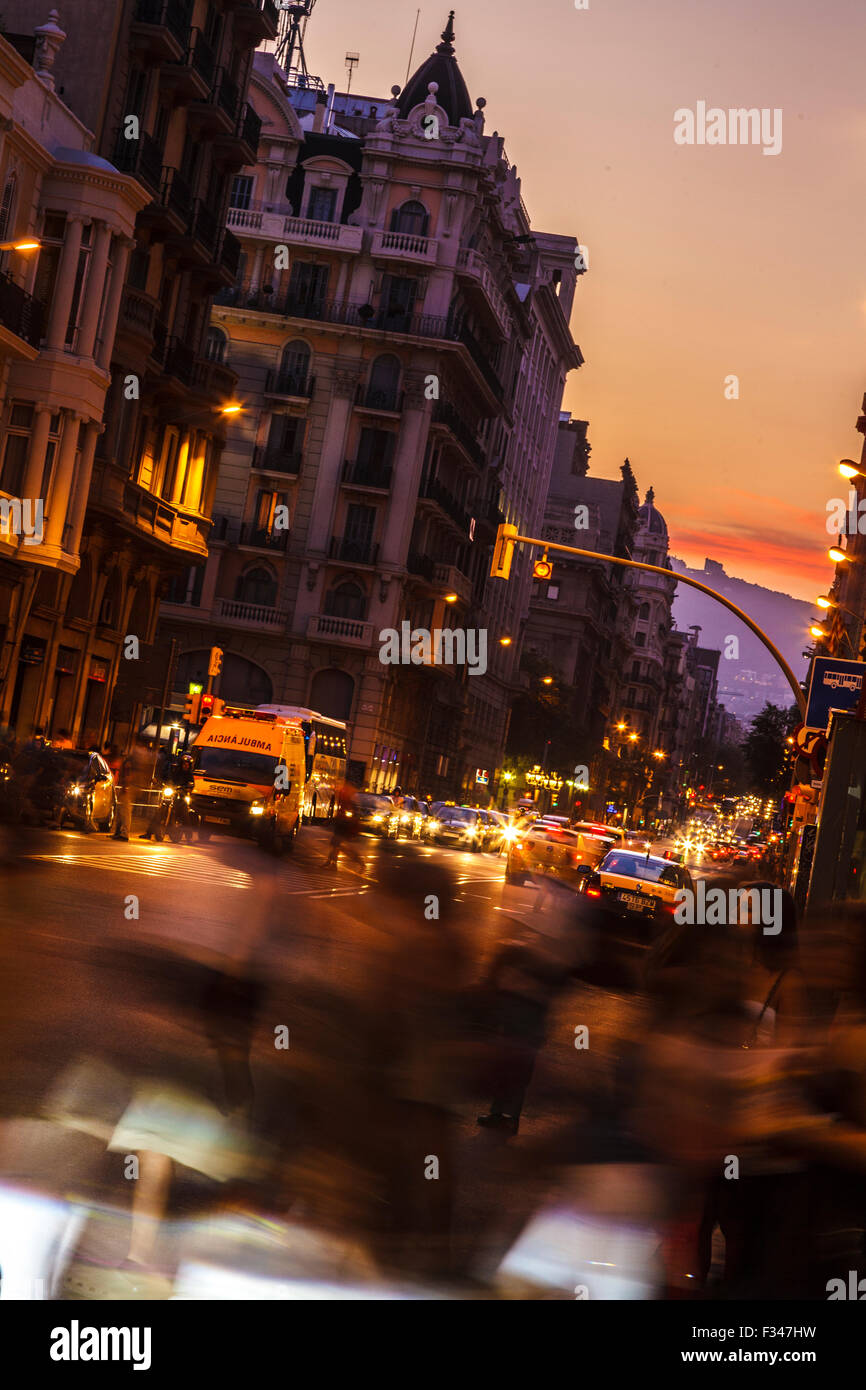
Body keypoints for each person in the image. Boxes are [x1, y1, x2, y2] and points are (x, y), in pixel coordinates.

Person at [113, 736, 152, 842]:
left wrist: (126, 784)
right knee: (122, 809)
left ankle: (124, 833)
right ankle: (118, 831)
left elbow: (130, 769)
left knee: (125, 810)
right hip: (135, 784)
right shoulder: (145, 755)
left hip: (131, 784)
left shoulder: (137, 754)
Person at [324, 781, 365, 871]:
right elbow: (341, 811)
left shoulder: (352, 797)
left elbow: (354, 812)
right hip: (341, 823)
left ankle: (361, 863)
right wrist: (332, 820)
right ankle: (331, 863)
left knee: (341, 846)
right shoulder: (344, 795)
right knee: (335, 844)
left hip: (346, 825)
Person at [139, 744, 174, 842]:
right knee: (157, 813)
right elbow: (160, 776)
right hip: (165, 791)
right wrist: (156, 781)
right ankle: (149, 832)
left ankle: (186, 833)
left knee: (182, 808)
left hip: (176, 792)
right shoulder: (161, 765)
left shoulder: (173, 768)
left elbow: (174, 779)